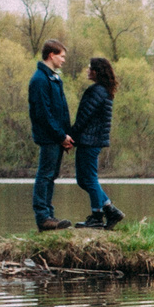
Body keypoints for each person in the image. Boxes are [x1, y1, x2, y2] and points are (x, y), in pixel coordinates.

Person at [71, 57, 124, 230]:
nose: (87, 70)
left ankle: (96, 217)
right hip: (91, 140)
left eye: (89, 68)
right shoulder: (104, 91)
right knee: (83, 180)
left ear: (96, 71)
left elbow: (84, 117)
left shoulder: (96, 91)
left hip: (90, 140)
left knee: (89, 179)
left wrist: (70, 136)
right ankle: (109, 209)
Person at [27, 40, 75, 230]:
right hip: (49, 137)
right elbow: (43, 114)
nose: (63, 60)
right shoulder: (40, 79)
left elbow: (61, 110)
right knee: (45, 175)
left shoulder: (53, 78)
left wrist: (66, 135)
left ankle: (49, 215)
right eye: (62, 56)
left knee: (51, 175)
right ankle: (43, 217)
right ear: (51, 55)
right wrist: (60, 135)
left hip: (57, 137)